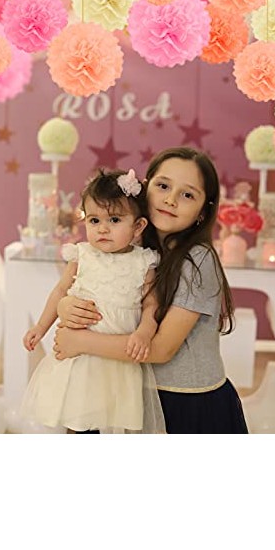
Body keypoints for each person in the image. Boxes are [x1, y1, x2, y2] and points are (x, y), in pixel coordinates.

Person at [53, 147, 248, 434]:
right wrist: (66, 305)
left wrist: (80, 341)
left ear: (202, 211)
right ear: (145, 188)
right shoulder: (128, 243)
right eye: (163, 186)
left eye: (187, 194)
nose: (170, 199)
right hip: (123, 385)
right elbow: (89, 287)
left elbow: (161, 349)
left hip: (185, 402)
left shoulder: (198, 260)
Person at [20, 168, 166, 434]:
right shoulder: (81, 255)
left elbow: (151, 305)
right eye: (94, 220)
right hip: (81, 360)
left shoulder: (144, 262)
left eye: (114, 220)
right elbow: (60, 292)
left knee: (116, 422)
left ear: (138, 226)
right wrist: (40, 327)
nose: (103, 229)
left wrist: (145, 332)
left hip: (118, 360)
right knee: (78, 421)